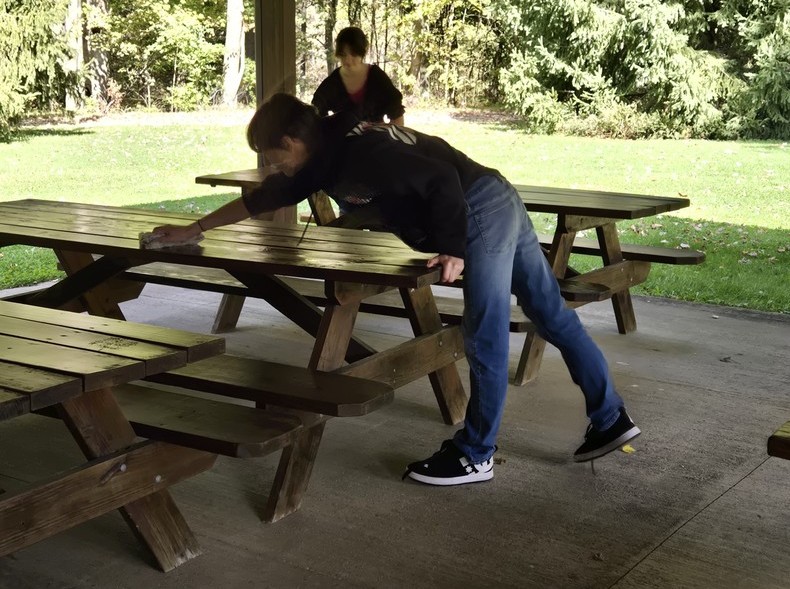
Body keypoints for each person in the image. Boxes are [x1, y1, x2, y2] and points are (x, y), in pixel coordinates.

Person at [152, 94, 640, 486]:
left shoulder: (360, 152)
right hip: (497, 197)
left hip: (475, 209)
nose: (273, 168)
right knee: (549, 313)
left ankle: (476, 454)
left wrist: (453, 247)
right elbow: (265, 198)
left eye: (274, 158)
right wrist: (194, 228)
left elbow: (439, 178)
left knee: (484, 331)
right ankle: (610, 417)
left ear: (290, 140)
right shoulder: (325, 154)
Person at [312, 26, 405, 125]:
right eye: (343, 55)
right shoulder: (332, 83)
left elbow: (397, 113)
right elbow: (315, 113)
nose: (348, 61)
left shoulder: (376, 77)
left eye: (354, 55)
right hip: (345, 139)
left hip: (376, 138)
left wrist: (387, 134)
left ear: (363, 51)